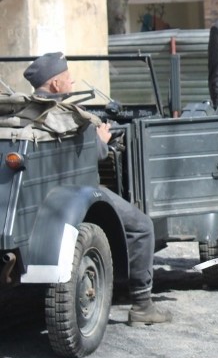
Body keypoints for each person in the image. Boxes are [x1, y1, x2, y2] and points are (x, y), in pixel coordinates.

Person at [24, 53, 172, 326]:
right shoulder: (71, 115)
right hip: (76, 188)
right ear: (56, 85)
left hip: (38, 195)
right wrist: (102, 139)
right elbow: (94, 154)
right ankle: (142, 305)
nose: (71, 81)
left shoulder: (25, 113)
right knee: (141, 226)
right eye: (67, 77)